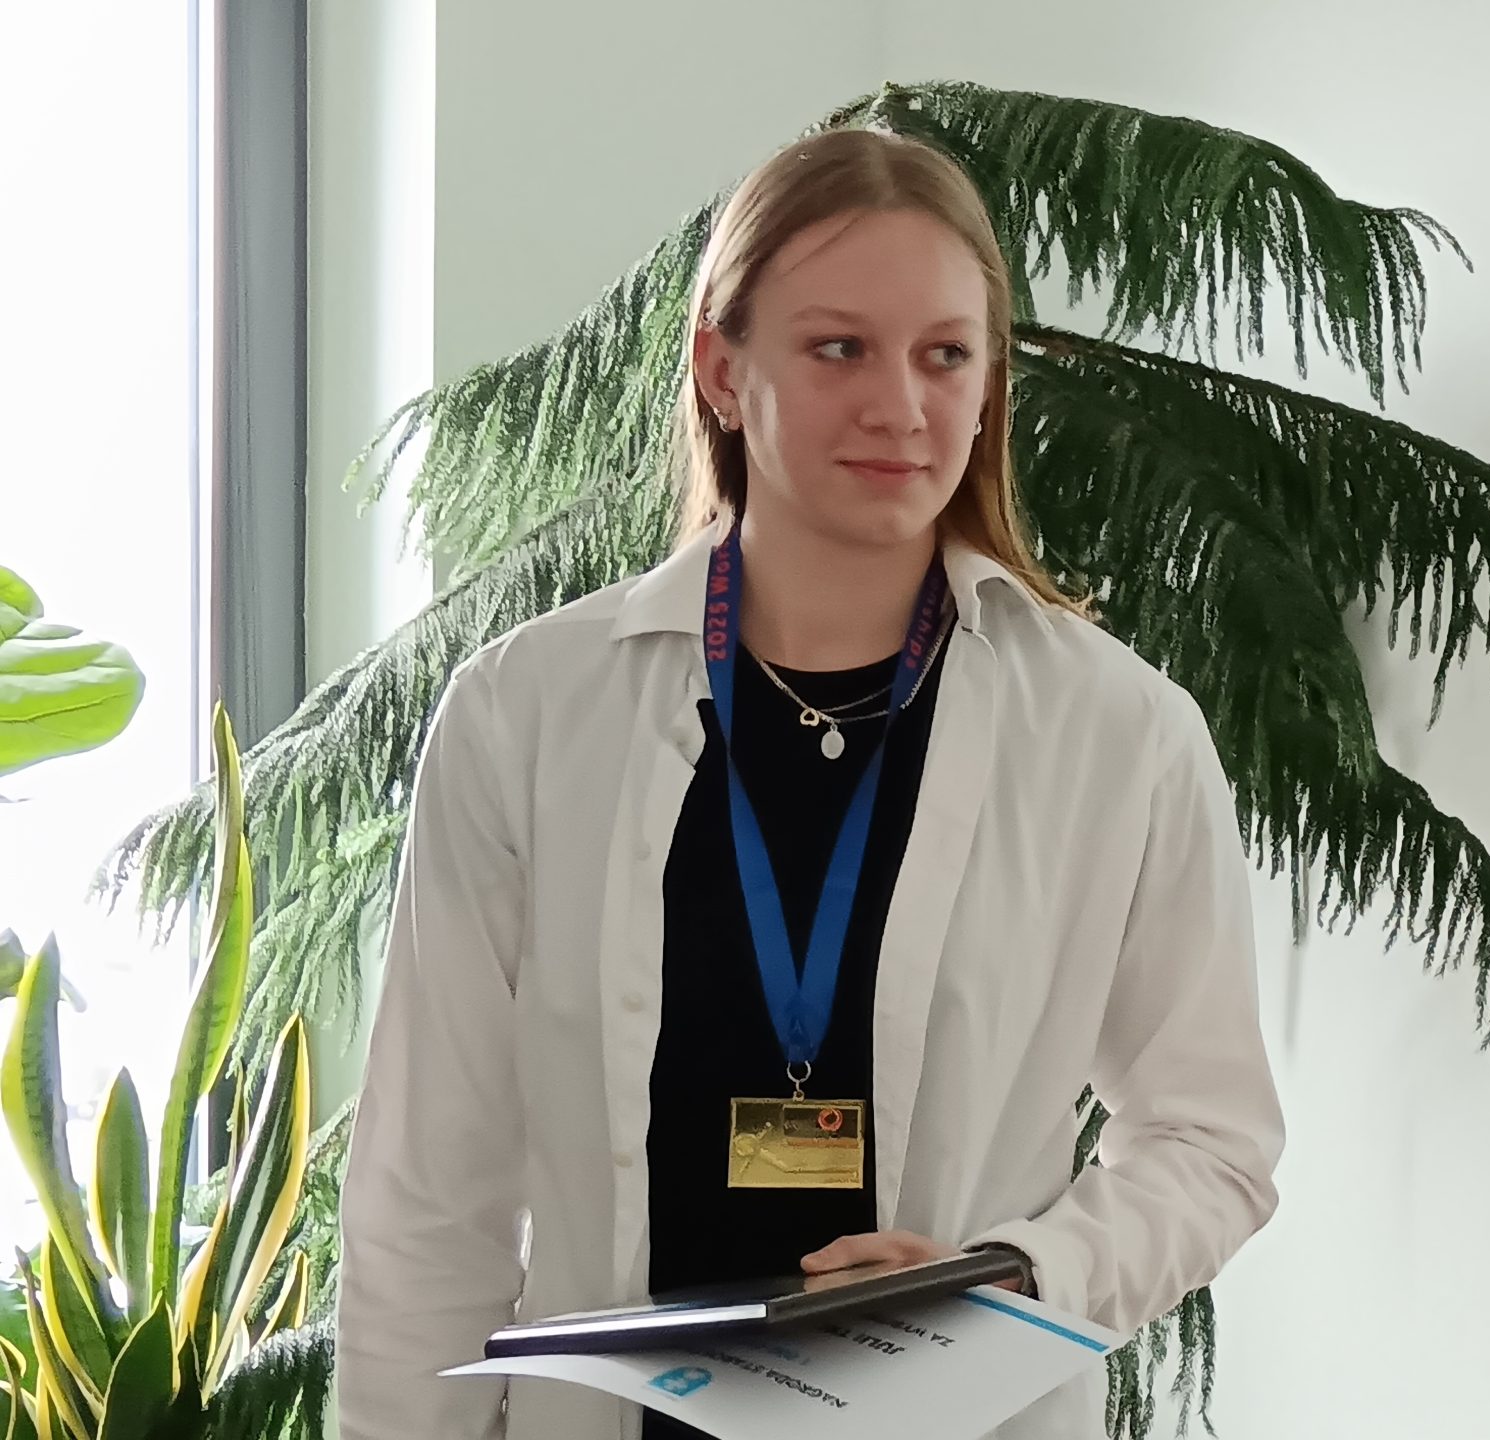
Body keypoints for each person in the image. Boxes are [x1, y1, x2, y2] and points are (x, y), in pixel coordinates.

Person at [336, 127, 1286, 1440]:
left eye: (945, 354)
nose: (901, 405)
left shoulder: (1120, 733)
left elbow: (1212, 1141)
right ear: (723, 372)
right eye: (839, 347)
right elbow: (425, 1195)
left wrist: (1020, 1277)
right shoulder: (526, 713)